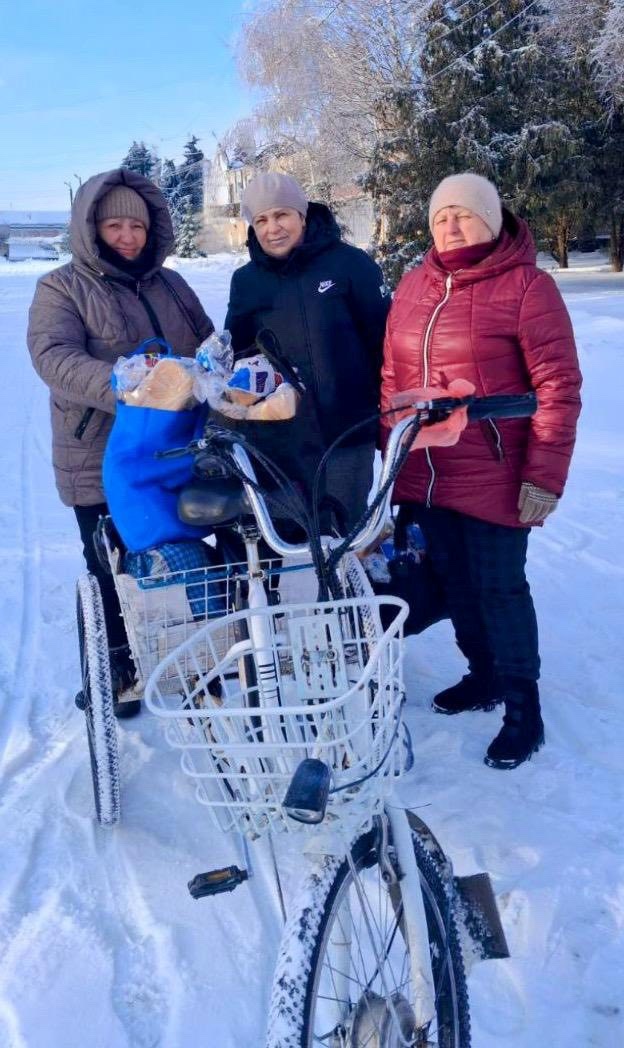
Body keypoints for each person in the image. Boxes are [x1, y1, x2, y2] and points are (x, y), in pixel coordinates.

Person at [381, 172, 582, 769]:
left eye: (464, 215)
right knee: (455, 584)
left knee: (500, 587)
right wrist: (391, 448)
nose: (451, 225)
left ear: (492, 222)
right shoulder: (414, 286)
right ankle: (484, 675)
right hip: (428, 470)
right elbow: (392, 379)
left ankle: (525, 709)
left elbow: (558, 387)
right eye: (442, 216)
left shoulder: (527, 287)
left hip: (496, 470)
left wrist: (543, 476)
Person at [27, 168, 214, 716]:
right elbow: (53, 358)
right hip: (99, 451)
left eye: (136, 225)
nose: (128, 236)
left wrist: (219, 375)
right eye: (115, 225)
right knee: (110, 566)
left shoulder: (171, 284)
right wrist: (124, 383)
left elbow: (206, 343)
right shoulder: (61, 287)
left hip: (176, 450)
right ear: (91, 229)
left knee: (184, 551)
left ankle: (196, 649)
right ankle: (115, 665)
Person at [224, 171, 390, 533]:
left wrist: (386, 413)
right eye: (262, 220)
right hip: (280, 439)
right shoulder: (247, 281)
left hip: (347, 432)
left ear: (303, 215)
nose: (273, 228)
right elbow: (239, 354)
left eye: (282, 215)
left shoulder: (350, 264)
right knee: (287, 540)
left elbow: (386, 344)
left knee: (343, 537)